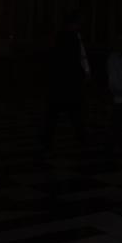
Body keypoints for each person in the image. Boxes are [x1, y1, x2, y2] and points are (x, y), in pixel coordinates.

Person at [41, 10, 89, 152]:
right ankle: (80, 138)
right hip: (67, 82)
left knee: (56, 112)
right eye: (79, 22)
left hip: (59, 82)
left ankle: (48, 139)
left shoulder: (61, 37)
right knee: (72, 111)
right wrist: (82, 75)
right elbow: (74, 60)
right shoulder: (71, 38)